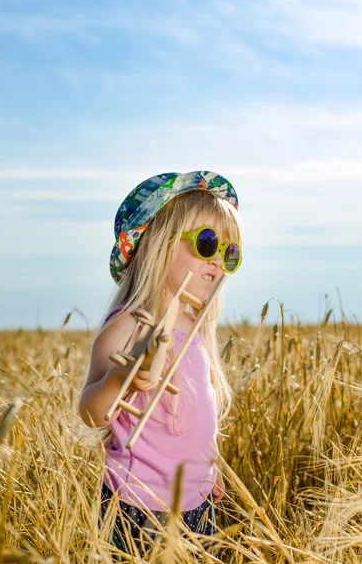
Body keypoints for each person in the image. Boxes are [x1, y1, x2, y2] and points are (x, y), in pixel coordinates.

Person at [78, 171, 242, 553]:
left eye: (229, 252)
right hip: (137, 505)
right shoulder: (131, 324)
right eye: (206, 243)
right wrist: (121, 381)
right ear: (157, 244)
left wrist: (209, 464)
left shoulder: (196, 327)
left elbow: (198, 413)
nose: (217, 260)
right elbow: (89, 412)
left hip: (195, 503)